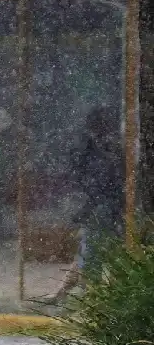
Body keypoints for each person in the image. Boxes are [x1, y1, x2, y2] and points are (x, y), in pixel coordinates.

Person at [49, 106, 124, 301]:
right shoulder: (98, 149)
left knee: (90, 253)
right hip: (104, 208)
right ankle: (68, 294)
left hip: (105, 209)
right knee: (89, 252)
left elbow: (101, 184)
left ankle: (83, 296)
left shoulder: (104, 150)